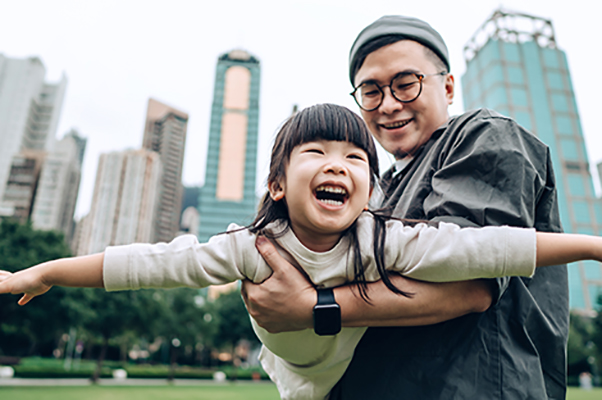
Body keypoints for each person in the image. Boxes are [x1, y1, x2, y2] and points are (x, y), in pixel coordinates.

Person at [0, 104, 584, 399]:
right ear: (278, 185)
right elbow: (147, 263)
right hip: (296, 381)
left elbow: (492, 248)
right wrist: (45, 271)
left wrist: (594, 248)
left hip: (344, 373)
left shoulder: (386, 241)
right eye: (317, 152)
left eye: (356, 158)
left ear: (372, 192)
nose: (338, 164)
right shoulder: (251, 249)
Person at [241, 16, 569, 399]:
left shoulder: (483, 136)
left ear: (447, 87)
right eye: (371, 91)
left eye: (406, 84)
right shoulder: (376, 191)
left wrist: (314, 307)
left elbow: (470, 283)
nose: (389, 105)